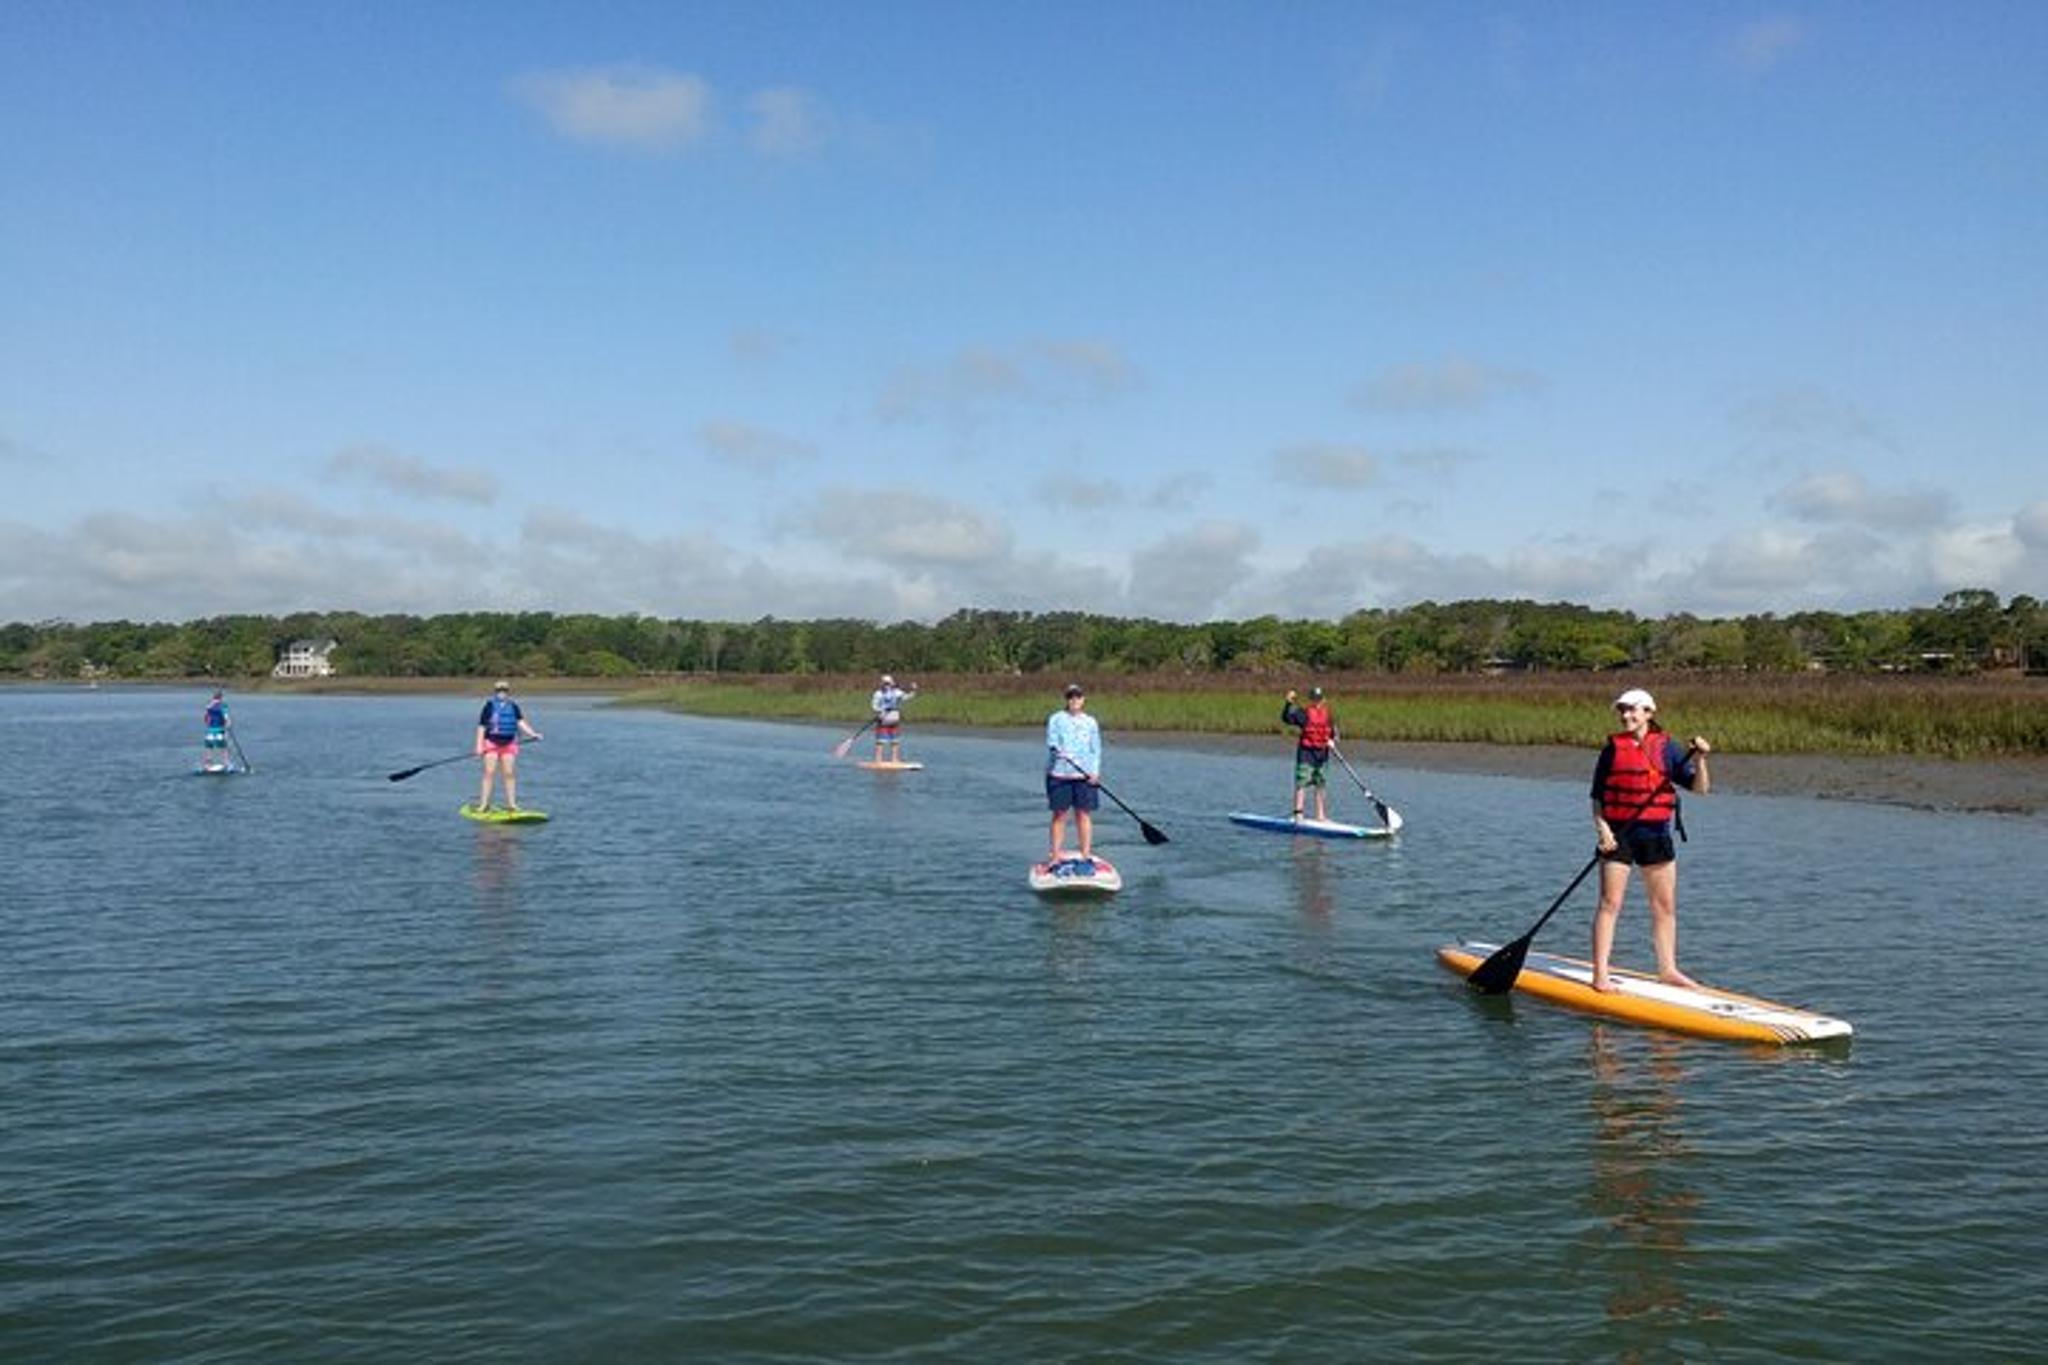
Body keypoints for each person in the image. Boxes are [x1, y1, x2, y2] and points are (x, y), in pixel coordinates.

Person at [1590, 687, 1712, 993]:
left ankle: (1668, 970)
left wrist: (1700, 759)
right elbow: (1596, 798)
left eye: (1633, 709)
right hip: (1619, 836)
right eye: (1622, 710)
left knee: (1664, 906)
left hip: (1656, 834)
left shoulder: (1667, 748)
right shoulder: (1612, 749)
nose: (1626, 715)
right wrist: (1602, 830)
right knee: (1610, 903)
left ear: (1649, 713)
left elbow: (1700, 789)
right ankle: (1600, 974)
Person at [1045, 682, 1102, 863]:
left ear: (1083, 700)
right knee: (1059, 814)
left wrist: (1094, 772)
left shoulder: (1090, 722)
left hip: (1084, 776)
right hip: (1059, 774)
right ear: (1067, 700)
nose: (1074, 700)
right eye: (1071, 697)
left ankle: (1085, 854)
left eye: (1078, 696)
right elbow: (1051, 741)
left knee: (1083, 814)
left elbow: (1096, 749)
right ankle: (1055, 855)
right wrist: (1057, 750)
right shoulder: (1056, 719)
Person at [475, 679, 542, 812]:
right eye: (499, 690)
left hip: (509, 744)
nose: (502, 693)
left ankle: (512, 804)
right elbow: (481, 727)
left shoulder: (513, 706)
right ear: (495, 692)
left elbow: (520, 722)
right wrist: (479, 746)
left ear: (507, 692)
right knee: (489, 773)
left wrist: (533, 734)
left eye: (504, 690)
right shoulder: (488, 706)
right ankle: (483, 804)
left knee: (509, 774)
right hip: (491, 743)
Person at [1280, 685, 1337, 821]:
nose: (1317, 702)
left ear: (1323, 700)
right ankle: (1298, 814)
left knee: (1320, 784)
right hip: (1306, 753)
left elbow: (1333, 732)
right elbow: (1286, 718)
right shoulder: (1304, 713)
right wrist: (1288, 703)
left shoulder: (1328, 715)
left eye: (1319, 699)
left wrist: (1333, 740)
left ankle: (1320, 815)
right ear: (1311, 700)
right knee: (1302, 782)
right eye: (1314, 699)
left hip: (1322, 755)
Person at [870, 673, 918, 763]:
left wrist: (913, 690)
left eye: (888, 683)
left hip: (894, 719)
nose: (887, 685)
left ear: (891, 683)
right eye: (885, 683)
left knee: (895, 741)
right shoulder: (878, 693)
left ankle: (895, 760)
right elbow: (874, 706)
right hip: (883, 720)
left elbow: (907, 697)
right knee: (880, 741)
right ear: (882, 684)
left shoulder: (897, 692)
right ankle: (878, 760)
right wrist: (880, 710)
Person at [201, 689, 232, 771]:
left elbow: (205, 719)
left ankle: (207, 765)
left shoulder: (209, 706)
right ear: (221, 697)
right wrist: (228, 724)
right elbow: (226, 718)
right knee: (224, 748)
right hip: (219, 731)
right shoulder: (223, 706)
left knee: (209, 749)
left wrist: (209, 725)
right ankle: (226, 764)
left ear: (213, 697)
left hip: (210, 732)